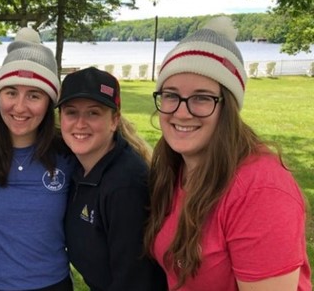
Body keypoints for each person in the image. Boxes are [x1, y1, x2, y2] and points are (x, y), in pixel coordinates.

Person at [144, 16, 311, 290]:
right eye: (171, 95)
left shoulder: (260, 190)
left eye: (201, 97)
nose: (181, 112)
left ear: (228, 107)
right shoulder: (174, 167)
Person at [0, 27, 75, 291]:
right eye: (11, 92)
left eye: (34, 95)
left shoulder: (68, 154)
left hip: (51, 284)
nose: (20, 107)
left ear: (49, 102)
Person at [57, 67, 167, 290]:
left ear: (114, 120)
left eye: (93, 113)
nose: (80, 123)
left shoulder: (125, 185)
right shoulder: (79, 167)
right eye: (71, 112)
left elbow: (134, 281)